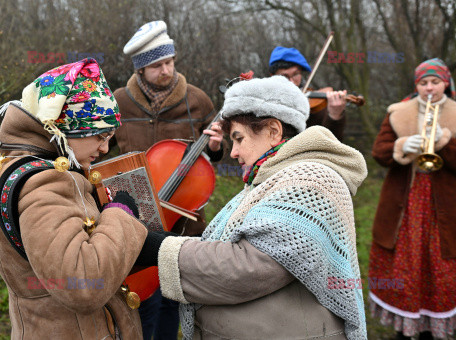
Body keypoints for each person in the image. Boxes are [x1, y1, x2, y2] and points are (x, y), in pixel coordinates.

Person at [134, 75, 368, 339]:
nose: (232, 152)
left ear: (273, 131)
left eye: (238, 138)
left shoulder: (308, 182)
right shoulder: (274, 176)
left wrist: (158, 247)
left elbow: (249, 268)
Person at [0, 58, 149, 339]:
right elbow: (82, 282)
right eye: (100, 135)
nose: (105, 148)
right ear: (67, 126)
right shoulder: (44, 183)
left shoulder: (7, 163)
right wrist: (120, 214)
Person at [113, 20, 224, 340]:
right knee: (141, 299)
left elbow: (218, 151)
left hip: (185, 218)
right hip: (137, 218)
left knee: (172, 301)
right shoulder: (120, 100)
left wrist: (216, 146)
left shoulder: (198, 99)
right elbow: (105, 152)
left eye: (169, 62)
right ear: (140, 70)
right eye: (157, 65)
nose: (166, 70)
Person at [369, 58, 456, 340]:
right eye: (423, 82)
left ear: (446, 83)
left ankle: (433, 327)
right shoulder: (398, 113)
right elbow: (379, 154)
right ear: (416, 85)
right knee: (405, 265)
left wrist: (445, 144)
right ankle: (404, 330)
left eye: (435, 81)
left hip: (444, 206)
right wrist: (400, 146)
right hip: (404, 204)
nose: (429, 88)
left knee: (438, 266)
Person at [269, 46, 347, 141]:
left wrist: (334, 116)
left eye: (295, 74)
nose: (292, 82)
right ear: (273, 76)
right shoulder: (267, 105)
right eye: (284, 76)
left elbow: (333, 142)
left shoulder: (315, 106)